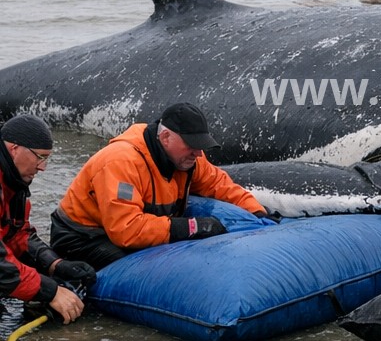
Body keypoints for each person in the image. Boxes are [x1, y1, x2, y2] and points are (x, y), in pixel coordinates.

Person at [50, 102, 274, 270]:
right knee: (141, 269)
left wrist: (255, 211)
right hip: (84, 237)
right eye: (192, 145)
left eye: (201, 146)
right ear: (165, 137)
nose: (198, 153)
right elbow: (126, 230)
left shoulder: (189, 159)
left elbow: (219, 184)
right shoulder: (121, 163)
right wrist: (192, 227)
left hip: (127, 227)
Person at [1, 114, 87, 325]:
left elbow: (18, 235)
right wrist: (49, 291)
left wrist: (53, 264)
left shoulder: (14, 185)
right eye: (40, 157)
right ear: (14, 149)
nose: (43, 167)